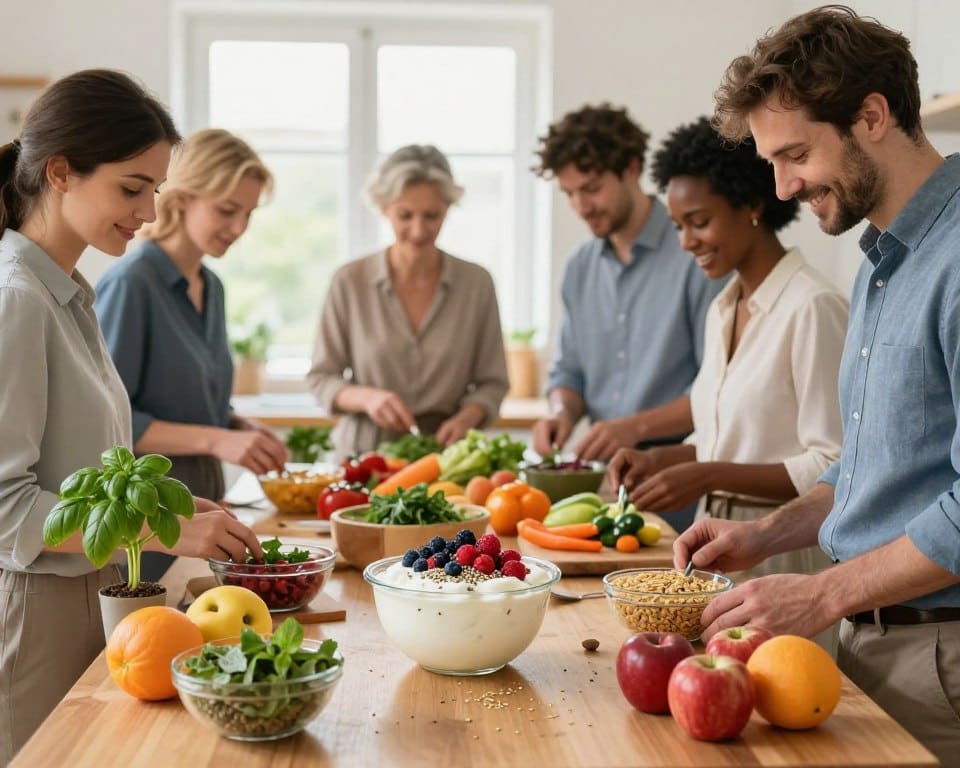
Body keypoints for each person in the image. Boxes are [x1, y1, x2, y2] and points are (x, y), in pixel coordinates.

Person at [673, 7, 960, 762]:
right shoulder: (879, 261)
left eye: (795, 153)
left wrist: (822, 593)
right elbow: (867, 465)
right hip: (868, 644)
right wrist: (766, 535)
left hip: (941, 658)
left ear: (871, 116)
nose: (784, 184)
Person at [0, 70, 263, 765]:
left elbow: (87, 472)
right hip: (39, 624)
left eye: (153, 188)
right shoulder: (17, 299)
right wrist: (168, 527)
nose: (149, 211)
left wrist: (167, 503)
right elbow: (5, 508)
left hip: (100, 604)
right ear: (60, 172)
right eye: (131, 187)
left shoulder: (71, 295)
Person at [608, 117, 847, 648]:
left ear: (752, 205)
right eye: (676, 226)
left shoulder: (813, 307)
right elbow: (725, 432)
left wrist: (705, 472)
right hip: (714, 544)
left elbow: (833, 463)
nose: (686, 241)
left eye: (698, 221)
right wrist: (665, 458)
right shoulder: (723, 308)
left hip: (786, 552)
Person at [94, 129, 288, 500]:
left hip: (205, 507)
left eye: (248, 214)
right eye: (227, 210)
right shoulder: (132, 283)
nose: (239, 228)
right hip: (149, 517)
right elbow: (109, 420)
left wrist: (236, 426)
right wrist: (217, 440)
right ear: (183, 198)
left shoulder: (211, 286)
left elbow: (190, 401)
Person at [307, 145, 509, 457]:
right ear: (383, 207)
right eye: (405, 215)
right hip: (363, 459)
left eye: (432, 216)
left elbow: (493, 383)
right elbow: (321, 379)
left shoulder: (476, 284)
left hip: (445, 459)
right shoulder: (349, 281)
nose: (418, 230)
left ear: (447, 209)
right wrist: (368, 398)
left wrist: (468, 417)